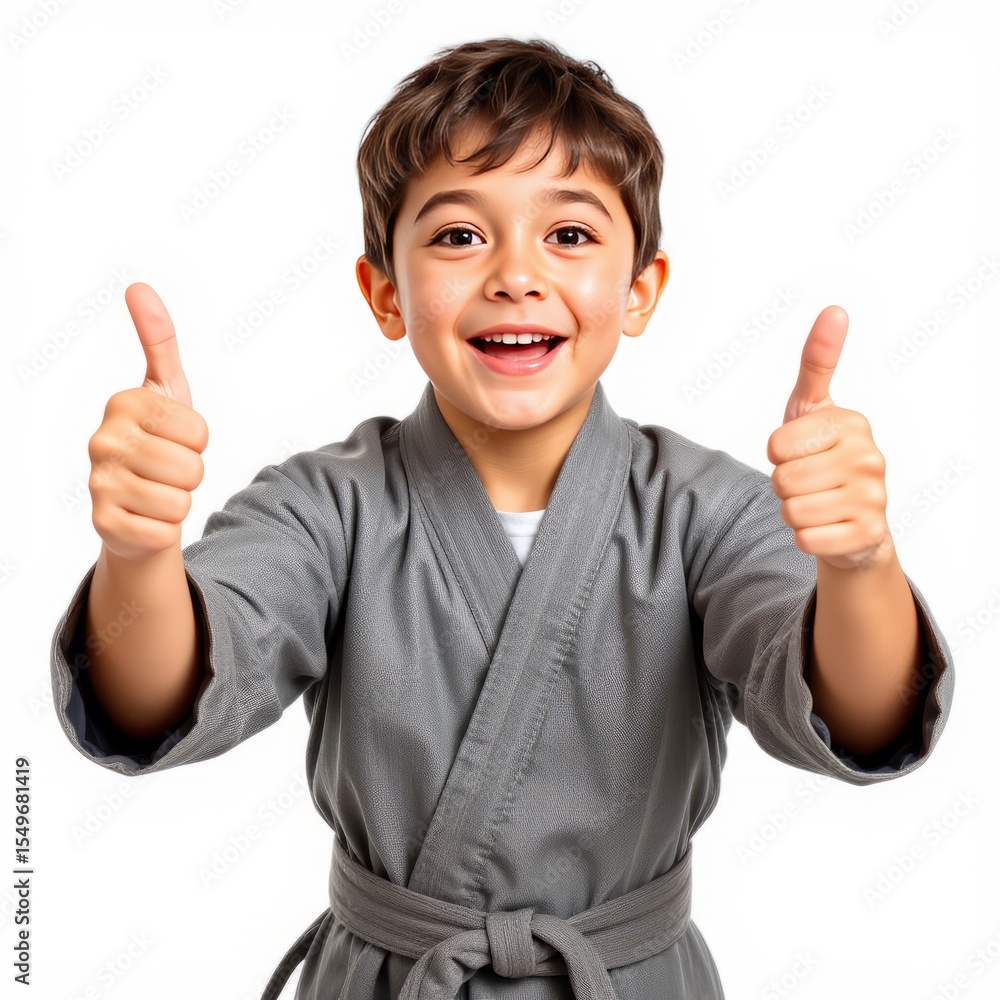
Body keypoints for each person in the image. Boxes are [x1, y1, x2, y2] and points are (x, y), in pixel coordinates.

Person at [50, 36, 954, 1000]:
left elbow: (859, 715)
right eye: (457, 236)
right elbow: (153, 699)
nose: (515, 274)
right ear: (385, 293)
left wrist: (861, 564)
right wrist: (138, 553)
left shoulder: (709, 511)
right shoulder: (322, 507)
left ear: (640, 289)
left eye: (569, 235)